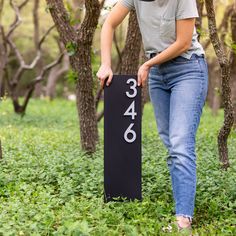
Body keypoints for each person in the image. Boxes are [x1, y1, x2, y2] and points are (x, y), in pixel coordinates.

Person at [96, 0, 208, 233]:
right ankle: (184, 204)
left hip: (188, 69)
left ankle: (183, 220)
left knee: (180, 144)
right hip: (158, 73)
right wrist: (105, 64)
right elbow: (108, 24)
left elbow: (184, 42)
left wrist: (148, 64)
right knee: (171, 143)